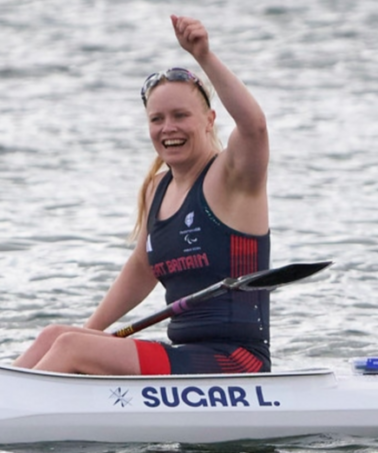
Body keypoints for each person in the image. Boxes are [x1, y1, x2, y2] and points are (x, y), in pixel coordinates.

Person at [13, 15, 270, 376]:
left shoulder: (231, 176)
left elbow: (255, 127)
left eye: (181, 115)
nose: (168, 128)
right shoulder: (157, 188)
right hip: (187, 354)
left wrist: (204, 56)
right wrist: (90, 333)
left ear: (210, 119)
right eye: (157, 119)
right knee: (55, 335)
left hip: (237, 362)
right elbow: (141, 268)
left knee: (71, 346)